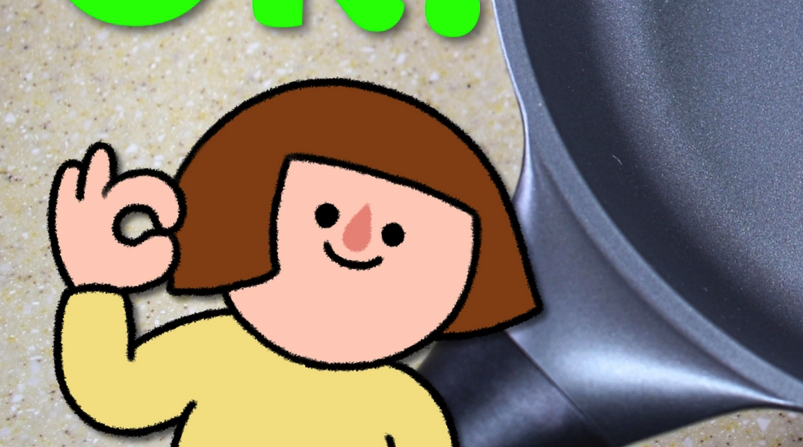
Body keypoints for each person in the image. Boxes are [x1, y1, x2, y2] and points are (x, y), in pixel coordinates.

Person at [49, 79, 540, 446]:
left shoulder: (403, 405)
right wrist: (96, 287)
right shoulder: (218, 352)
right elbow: (115, 393)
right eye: (325, 215)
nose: (355, 242)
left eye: (395, 234)